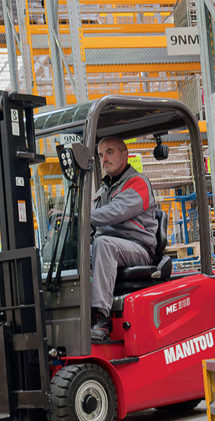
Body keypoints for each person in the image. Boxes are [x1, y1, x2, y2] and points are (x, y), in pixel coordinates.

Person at [90, 136, 158, 340]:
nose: (104, 159)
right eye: (101, 155)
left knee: (103, 243)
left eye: (110, 152)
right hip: (115, 247)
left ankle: (101, 318)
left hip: (139, 248)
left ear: (125, 155)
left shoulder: (137, 182)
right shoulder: (105, 189)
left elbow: (115, 212)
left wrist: (81, 217)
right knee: (77, 250)